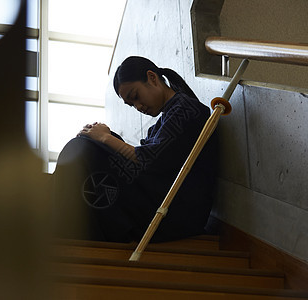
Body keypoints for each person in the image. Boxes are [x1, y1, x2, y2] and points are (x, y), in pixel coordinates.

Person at [52, 56, 217, 243]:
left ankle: (71, 231)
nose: (138, 107)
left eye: (135, 96)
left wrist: (105, 138)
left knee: (85, 148)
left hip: (176, 213)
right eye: (131, 104)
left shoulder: (187, 109)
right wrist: (104, 139)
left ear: (152, 78)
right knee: (86, 145)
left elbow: (149, 160)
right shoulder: (162, 122)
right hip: (160, 202)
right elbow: (143, 160)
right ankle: (77, 229)